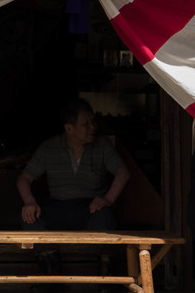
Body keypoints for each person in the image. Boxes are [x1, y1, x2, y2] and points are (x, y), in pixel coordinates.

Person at [16, 98, 131, 287]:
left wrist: (107, 199)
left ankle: (105, 282)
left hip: (90, 209)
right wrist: (29, 200)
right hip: (58, 208)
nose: (93, 127)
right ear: (69, 128)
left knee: (106, 216)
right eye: (85, 124)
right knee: (29, 217)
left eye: (93, 121)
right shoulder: (49, 147)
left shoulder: (102, 145)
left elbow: (123, 172)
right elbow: (24, 178)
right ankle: (53, 278)